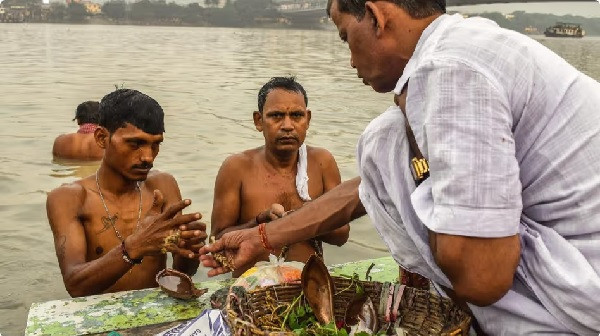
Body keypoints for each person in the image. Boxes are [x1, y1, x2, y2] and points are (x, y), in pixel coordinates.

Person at [200, 0, 600, 334]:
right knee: (388, 142)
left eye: (345, 36)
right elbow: (371, 186)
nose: (349, 57)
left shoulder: (445, 70)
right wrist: (262, 237)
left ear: (376, 15)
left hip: (577, 295)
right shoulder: (468, 44)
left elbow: (482, 279)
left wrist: (411, 126)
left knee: (384, 139)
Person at [47, 89, 207, 297]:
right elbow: (75, 285)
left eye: (155, 144)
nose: (148, 157)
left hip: (153, 312)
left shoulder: (162, 184)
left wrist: (190, 251)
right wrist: (135, 246)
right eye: (135, 144)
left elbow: (181, 272)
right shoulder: (70, 198)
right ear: (102, 138)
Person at [210, 76, 349, 276]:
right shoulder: (236, 168)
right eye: (276, 116)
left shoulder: (321, 162)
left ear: (307, 120)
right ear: (259, 121)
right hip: (252, 290)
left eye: (296, 115)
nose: (287, 125)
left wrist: (306, 217)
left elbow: (341, 235)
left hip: (308, 286)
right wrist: (259, 222)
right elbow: (217, 243)